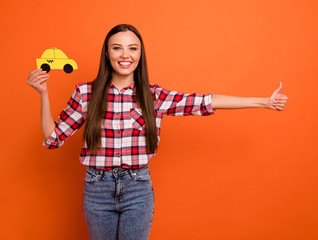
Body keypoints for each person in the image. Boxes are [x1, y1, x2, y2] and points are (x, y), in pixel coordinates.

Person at [27, 24, 288, 240]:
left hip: (137, 188)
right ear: (107, 54)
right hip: (97, 189)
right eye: (117, 48)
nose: (125, 55)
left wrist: (263, 101)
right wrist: (43, 94)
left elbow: (205, 101)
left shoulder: (153, 96)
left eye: (132, 48)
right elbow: (53, 138)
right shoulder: (86, 93)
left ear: (140, 54)